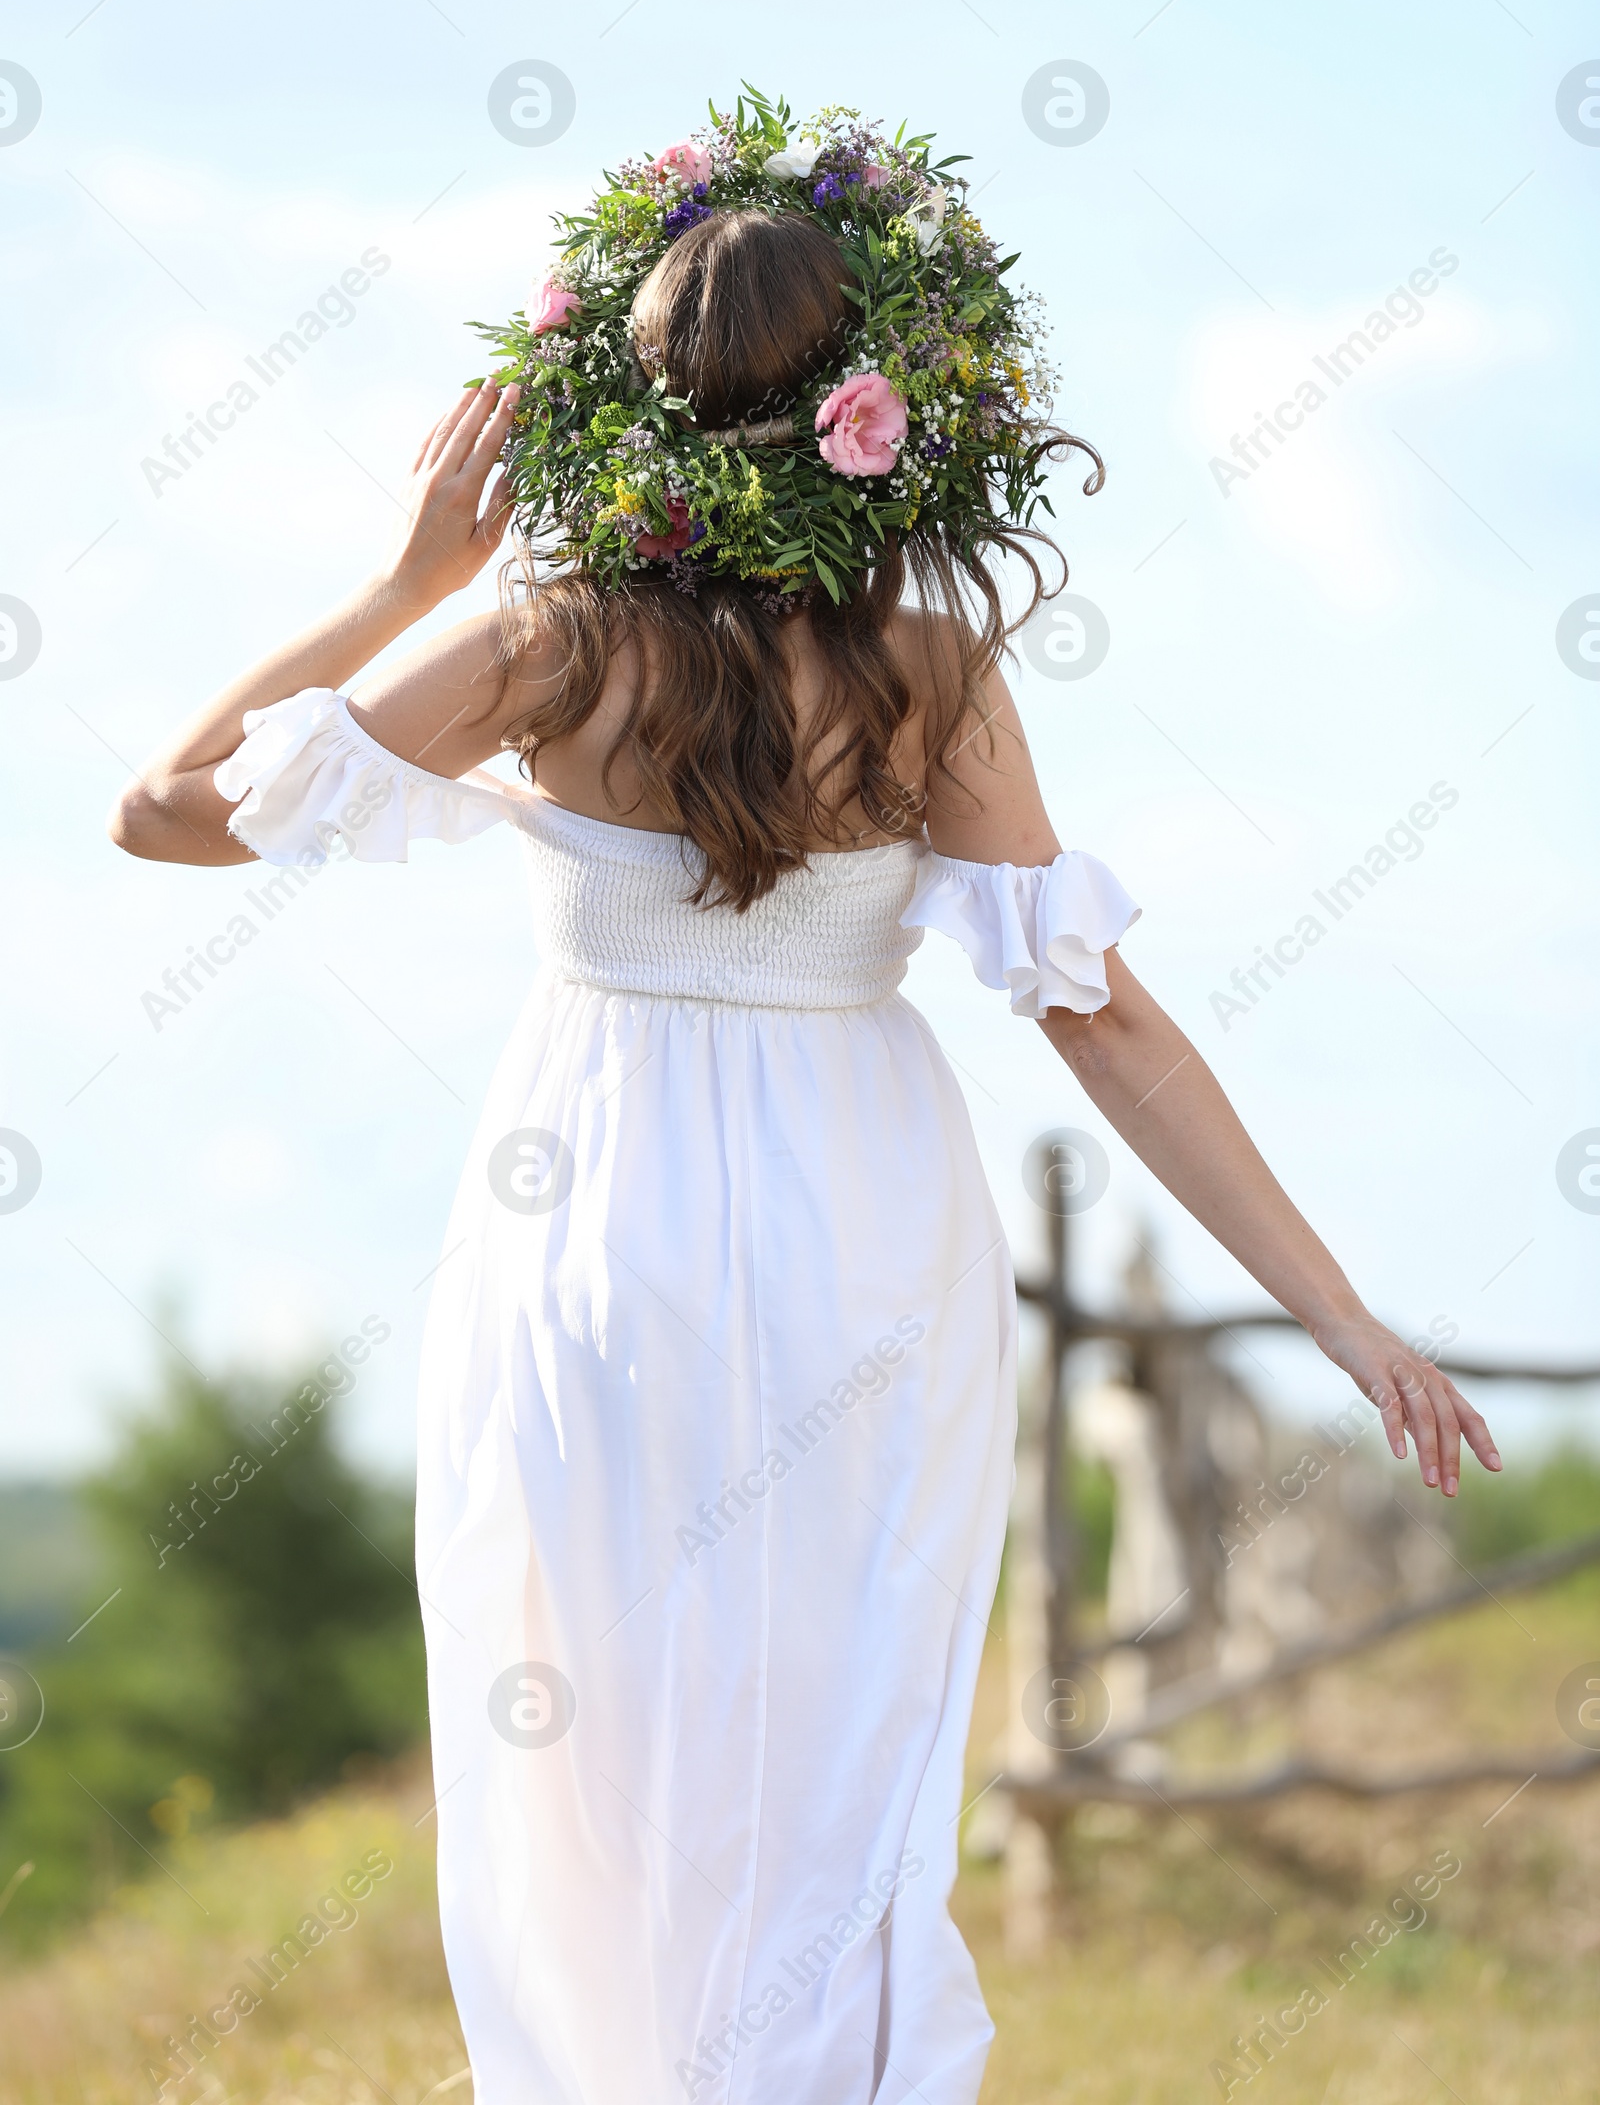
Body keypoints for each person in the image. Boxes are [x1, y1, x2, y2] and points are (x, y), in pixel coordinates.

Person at [109, 108, 1498, 2105]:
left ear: (630, 408)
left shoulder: (534, 646)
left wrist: (404, 572)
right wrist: (1340, 1312)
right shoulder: (933, 672)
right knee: (832, 1728)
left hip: (593, 1211)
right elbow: (1102, 1025)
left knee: (590, 1729)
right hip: (863, 1217)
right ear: (878, 404)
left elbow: (158, 815)